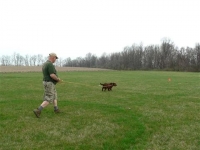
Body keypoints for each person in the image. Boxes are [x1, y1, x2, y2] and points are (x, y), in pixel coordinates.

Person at [33, 53, 61, 118]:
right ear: (52, 57)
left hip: (46, 82)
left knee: (54, 95)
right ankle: (38, 110)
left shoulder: (45, 64)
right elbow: (52, 75)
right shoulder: (50, 64)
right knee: (49, 98)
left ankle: (56, 109)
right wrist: (58, 79)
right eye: (55, 58)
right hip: (50, 83)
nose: (55, 60)